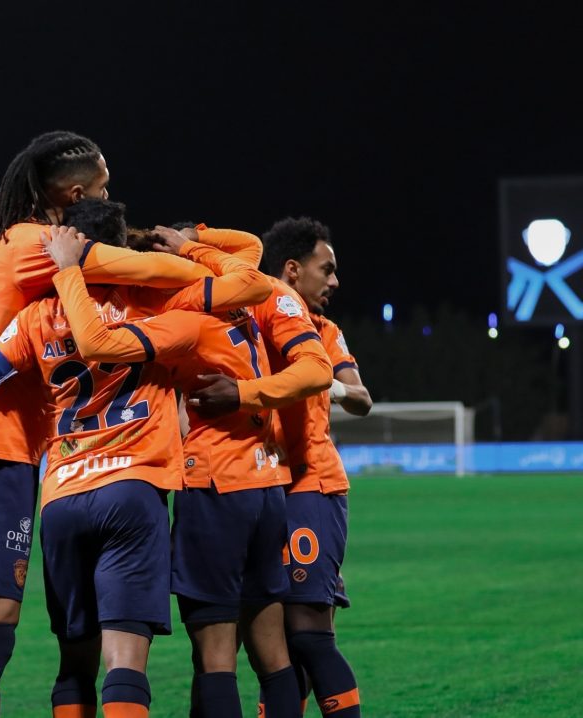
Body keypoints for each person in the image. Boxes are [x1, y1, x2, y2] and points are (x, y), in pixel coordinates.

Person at [0, 200, 272, 717]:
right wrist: (192, 244)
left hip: (63, 498)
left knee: (74, 663)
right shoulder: (162, 303)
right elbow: (251, 277)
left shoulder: (36, 316)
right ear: (120, 250)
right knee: (125, 662)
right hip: (132, 491)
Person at [128, 225, 334, 718]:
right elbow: (249, 249)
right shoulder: (249, 299)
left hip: (214, 483)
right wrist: (196, 237)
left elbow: (101, 344)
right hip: (267, 486)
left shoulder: (178, 313)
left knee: (215, 658)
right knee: (273, 655)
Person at [258, 217, 372, 717]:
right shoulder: (250, 324)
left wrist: (325, 380)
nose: (335, 281)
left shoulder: (324, 332)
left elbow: (362, 399)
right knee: (274, 648)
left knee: (308, 633)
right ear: (292, 269)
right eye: (326, 269)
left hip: (311, 487)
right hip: (258, 489)